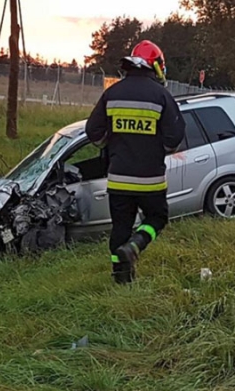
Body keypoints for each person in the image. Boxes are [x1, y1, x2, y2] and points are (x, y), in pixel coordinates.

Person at [85, 40, 186, 284]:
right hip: (150, 179)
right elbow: (175, 137)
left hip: (118, 179)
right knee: (156, 219)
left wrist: (112, 143)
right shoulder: (161, 95)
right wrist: (155, 146)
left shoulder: (113, 93)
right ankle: (136, 245)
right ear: (156, 67)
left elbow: (93, 131)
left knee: (120, 227)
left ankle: (121, 280)